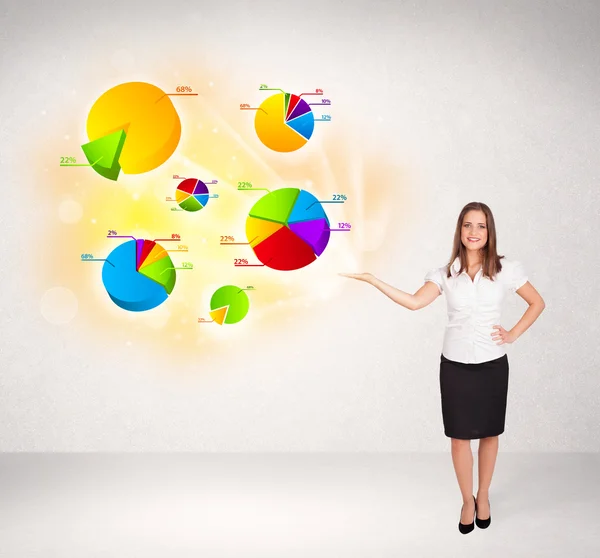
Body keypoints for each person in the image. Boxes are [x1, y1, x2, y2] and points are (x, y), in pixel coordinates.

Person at [339, 201, 545, 534]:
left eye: (480, 226)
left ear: (489, 231)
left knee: (490, 433)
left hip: (493, 364)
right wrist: (372, 279)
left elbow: (537, 302)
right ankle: (467, 500)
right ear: (459, 231)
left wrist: (512, 334)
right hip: (455, 366)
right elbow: (414, 302)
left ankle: (484, 496)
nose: (474, 232)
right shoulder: (445, 273)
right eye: (467, 225)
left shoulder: (506, 269)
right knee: (459, 437)